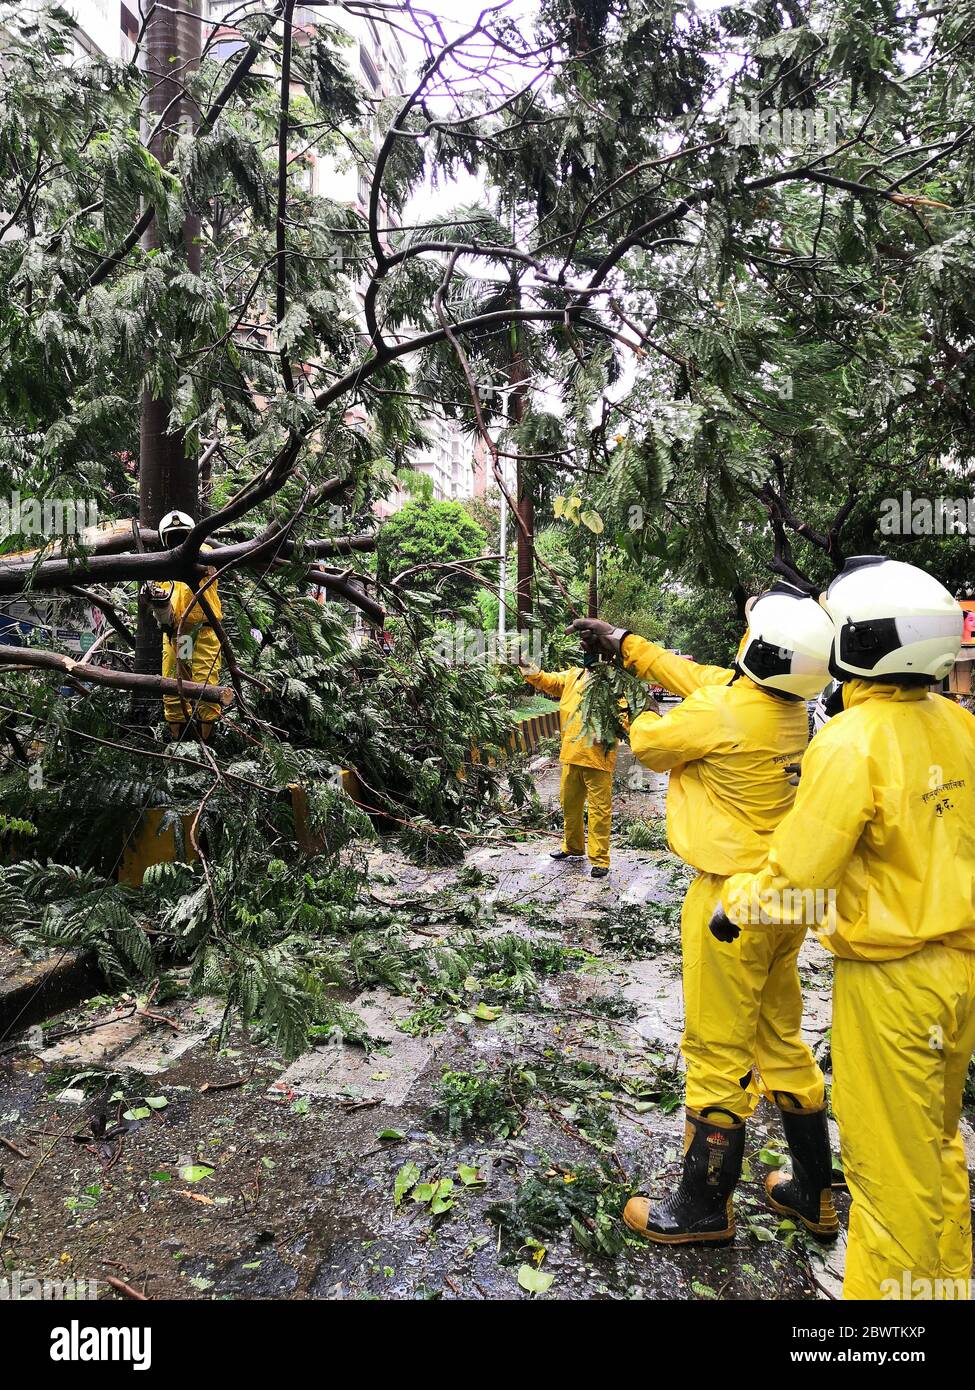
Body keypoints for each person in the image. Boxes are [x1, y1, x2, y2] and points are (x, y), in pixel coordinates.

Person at [712, 557, 975, 1300]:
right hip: (958, 972)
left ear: (861, 640)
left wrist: (735, 903)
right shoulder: (958, 724)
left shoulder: (851, 739)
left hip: (891, 986)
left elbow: (799, 876)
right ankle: (943, 1289)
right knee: (931, 1148)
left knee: (885, 1172)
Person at [571, 583, 836, 1245]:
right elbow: (696, 677)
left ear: (756, 648)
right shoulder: (792, 708)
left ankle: (702, 1206)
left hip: (726, 904)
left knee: (716, 1050)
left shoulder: (718, 714)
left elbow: (650, 740)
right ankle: (813, 1194)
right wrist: (626, 646)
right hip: (782, 898)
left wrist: (615, 689)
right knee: (780, 1039)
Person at [518, 650, 627, 878]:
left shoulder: (613, 685)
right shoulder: (573, 677)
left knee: (598, 810)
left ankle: (599, 860)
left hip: (598, 759)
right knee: (570, 805)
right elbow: (547, 680)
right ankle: (573, 847)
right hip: (571, 754)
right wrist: (528, 667)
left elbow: (623, 719)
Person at [141, 510, 224, 742]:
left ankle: (207, 743)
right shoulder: (162, 567)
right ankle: (179, 743)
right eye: (173, 536)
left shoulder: (206, 555)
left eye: (181, 535)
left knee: (207, 685)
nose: (177, 540)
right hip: (181, 636)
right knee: (174, 685)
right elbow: (163, 611)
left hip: (205, 631)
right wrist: (155, 600)